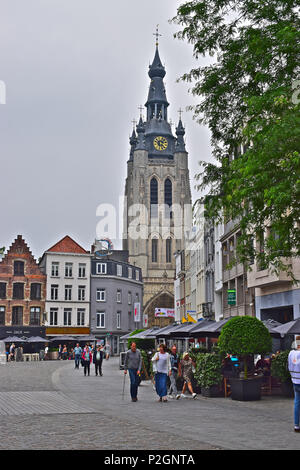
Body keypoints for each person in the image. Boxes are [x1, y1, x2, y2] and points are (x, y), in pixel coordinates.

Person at [288, 339, 300, 432]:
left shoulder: (291, 353)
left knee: (297, 402)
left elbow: (289, 366)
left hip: (295, 380)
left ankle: (296, 425)